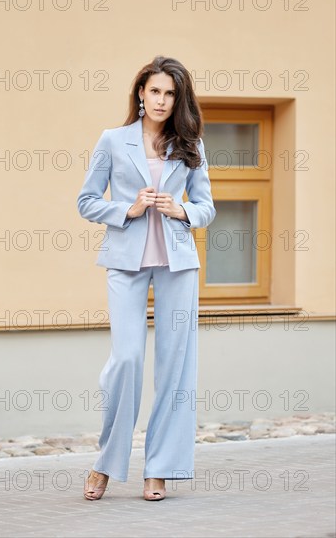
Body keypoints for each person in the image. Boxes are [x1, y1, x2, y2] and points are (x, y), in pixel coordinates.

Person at [77, 55, 216, 501]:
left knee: (176, 367)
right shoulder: (113, 141)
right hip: (126, 262)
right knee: (128, 359)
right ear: (140, 92)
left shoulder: (191, 144)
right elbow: (85, 201)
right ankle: (106, 462)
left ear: (179, 100)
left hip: (177, 264)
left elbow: (207, 206)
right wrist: (128, 209)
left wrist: (184, 211)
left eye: (170, 93)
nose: (161, 100)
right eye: (154, 91)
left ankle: (160, 468)